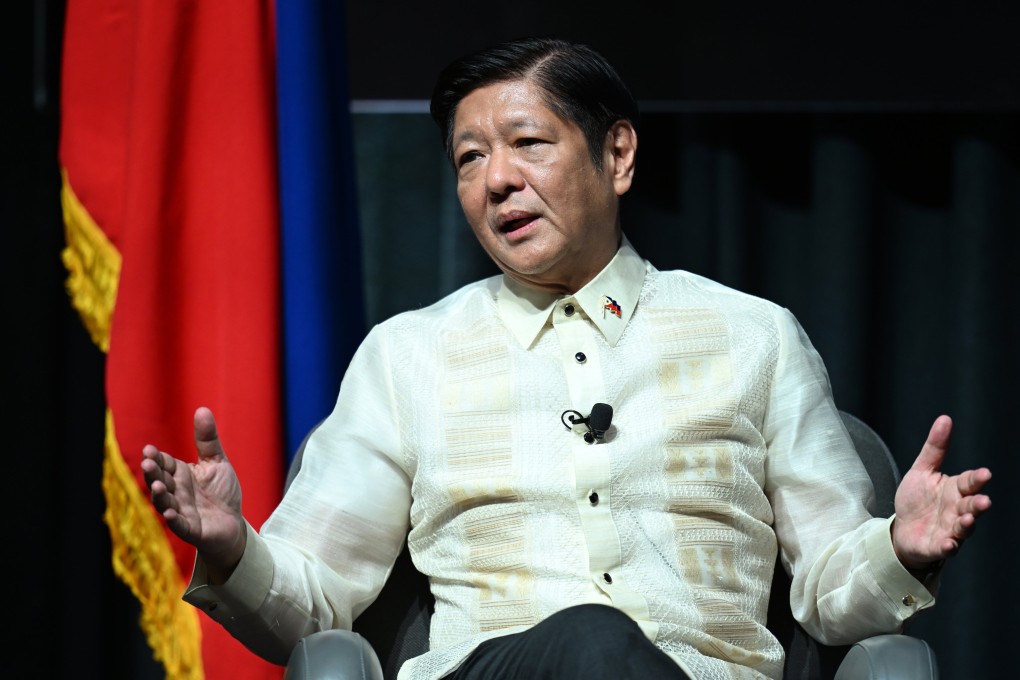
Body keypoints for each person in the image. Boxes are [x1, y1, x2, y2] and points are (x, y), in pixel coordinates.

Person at [141, 37, 993, 680]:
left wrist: (899, 549)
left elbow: (834, 595)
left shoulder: (754, 337)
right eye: (470, 159)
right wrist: (230, 549)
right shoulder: (408, 356)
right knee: (591, 635)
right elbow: (316, 602)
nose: (496, 180)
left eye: (527, 144)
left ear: (616, 154)